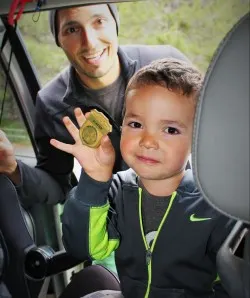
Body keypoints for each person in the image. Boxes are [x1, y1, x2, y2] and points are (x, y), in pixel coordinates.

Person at [0, 3, 189, 295]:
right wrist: (12, 167)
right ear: (58, 39)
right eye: (72, 29)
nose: (89, 41)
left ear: (115, 24)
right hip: (113, 237)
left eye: (99, 21)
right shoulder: (51, 103)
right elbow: (56, 186)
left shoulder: (167, 63)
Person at [53, 58, 234, 298]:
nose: (147, 141)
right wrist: (94, 180)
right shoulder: (116, 190)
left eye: (170, 129)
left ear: (197, 138)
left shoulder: (214, 205)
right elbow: (82, 247)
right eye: (136, 124)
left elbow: (234, 282)